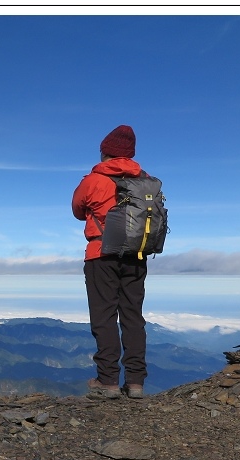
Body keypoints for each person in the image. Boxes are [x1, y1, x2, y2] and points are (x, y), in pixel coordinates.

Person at [71, 124, 148, 400]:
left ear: (105, 152)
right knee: (133, 317)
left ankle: (108, 382)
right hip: (136, 257)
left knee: (104, 317)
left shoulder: (94, 180)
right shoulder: (146, 180)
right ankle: (136, 382)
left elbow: (78, 211)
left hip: (101, 255)